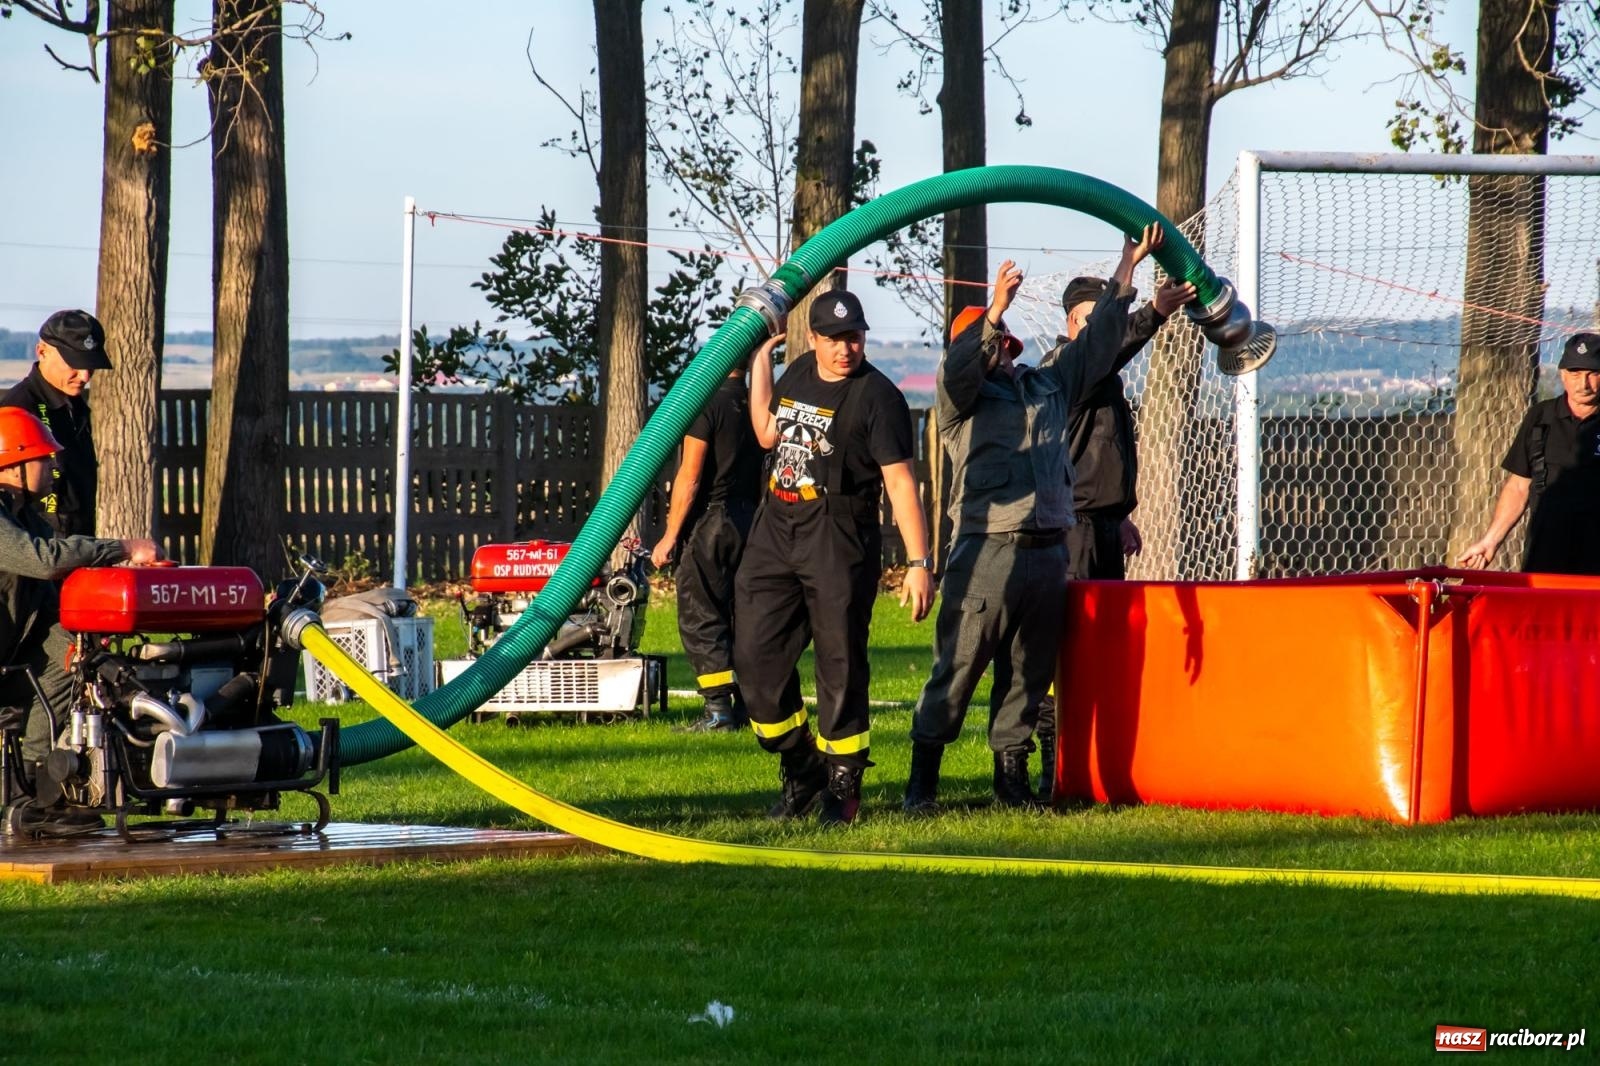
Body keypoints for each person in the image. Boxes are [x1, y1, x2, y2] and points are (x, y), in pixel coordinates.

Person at [903, 226, 1172, 814]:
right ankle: (922, 784)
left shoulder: (1047, 386)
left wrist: (1128, 267)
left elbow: (1098, 341)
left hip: (1048, 551)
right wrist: (993, 311)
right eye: (986, 342)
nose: (997, 349)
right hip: (987, 552)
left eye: (1001, 341)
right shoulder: (960, 404)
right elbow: (959, 371)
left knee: (1028, 674)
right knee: (959, 667)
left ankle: (1012, 782)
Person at [732, 289, 933, 825]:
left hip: (838, 534)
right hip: (776, 527)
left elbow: (900, 482)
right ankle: (801, 766)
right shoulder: (797, 371)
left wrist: (919, 563)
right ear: (814, 340)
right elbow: (766, 432)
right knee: (753, 657)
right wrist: (760, 365)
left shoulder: (879, 397)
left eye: (855, 337)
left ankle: (842, 781)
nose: (847, 348)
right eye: (836, 339)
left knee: (840, 662)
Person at [1030, 263, 1197, 802]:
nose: (1101, 331)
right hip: (1070, 531)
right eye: (1094, 321)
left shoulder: (1101, 378)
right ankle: (1055, 768)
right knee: (1069, 649)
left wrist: (1118, 512)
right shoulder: (1065, 369)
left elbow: (1094, 453)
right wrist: (1153, 312)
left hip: (1100, 527)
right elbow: (1112, 347)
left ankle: (1103, 769)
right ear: (1074, 324)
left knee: (1106, 648)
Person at [0, 408, 162, 828]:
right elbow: (46, 560)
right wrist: (122, 548)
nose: (53, 466)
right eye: (43, 458)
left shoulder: (22, 517)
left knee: (65, 664)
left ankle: (35, 795)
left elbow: (54, 594)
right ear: (13, 465)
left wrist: (82, 648)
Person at [651, 357, 764, 732]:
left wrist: (670, 535)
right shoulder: (759, 402)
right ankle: (751, 706)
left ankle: (718, 712)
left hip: (711, 522)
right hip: (752, 520)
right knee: (743, 615)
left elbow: (690, 477)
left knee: (703, 614)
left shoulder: (706, 405)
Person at [1458, 332, 1600, 575]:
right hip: (1546, 552)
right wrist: (1491, 540)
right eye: (1575, 374)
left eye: (1593, 374)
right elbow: (1519, 486)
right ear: (1562, 375)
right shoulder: (1540, 417)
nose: (1583, 384)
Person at [0, 309, 113, 537]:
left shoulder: (75, 405)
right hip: (40, 555)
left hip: (76, 546)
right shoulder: (18, 412)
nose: (85, 377)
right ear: (42, 351)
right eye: (74, 365)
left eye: (90, 366)